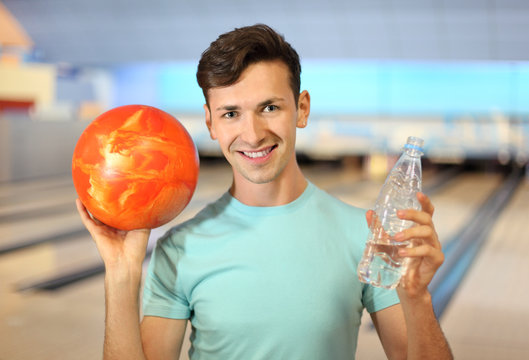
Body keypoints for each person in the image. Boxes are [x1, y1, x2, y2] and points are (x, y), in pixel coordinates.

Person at [76, 24, 453, 360]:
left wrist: (417, 300)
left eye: (269, 107)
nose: (253, 134)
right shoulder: (179, 249)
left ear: (301, 109)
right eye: (230, 114)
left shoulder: (367, 238)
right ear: (210, 122)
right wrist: (121, 272)